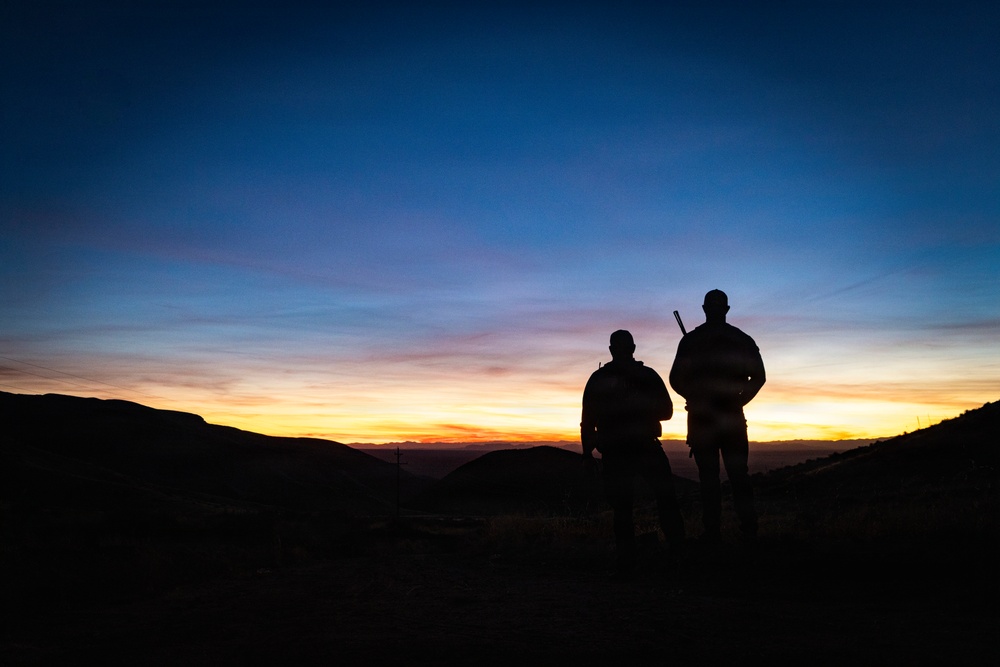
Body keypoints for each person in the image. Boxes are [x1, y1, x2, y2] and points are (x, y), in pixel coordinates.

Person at [581, 330, 685, 572]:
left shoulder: (598, 378)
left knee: (622, 507)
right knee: (666, 500)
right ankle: (678, 555)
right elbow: (667, 412)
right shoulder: (647, 376)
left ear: (611, 350)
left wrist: (587, 454)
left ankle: (627, 563)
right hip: (645, 446)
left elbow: (587, 421)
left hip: (616, 450)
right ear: (634, 348)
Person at [669, 290, 765, 543]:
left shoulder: (691, 341)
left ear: (704, 308)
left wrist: (695, 398)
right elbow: (759, 378)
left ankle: (712, 533)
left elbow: (675, 380)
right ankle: (749, 531)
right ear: (727, 309)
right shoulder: (742, 339)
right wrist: (738, 401)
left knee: (708, 478)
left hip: (702, 420)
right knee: (738, 475)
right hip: (731, 418)